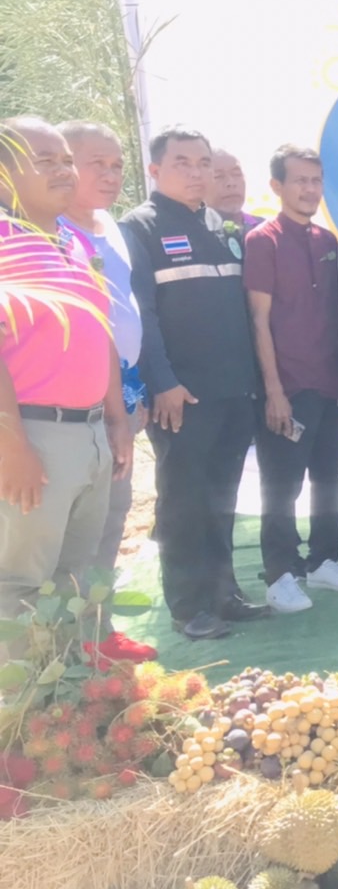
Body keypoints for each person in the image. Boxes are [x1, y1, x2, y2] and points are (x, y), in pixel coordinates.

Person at [122, 126, 268, 639]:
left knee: (222, 499)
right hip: (180, 397)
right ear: (155, 170)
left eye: (203, 162)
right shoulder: (138, 227)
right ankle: (189, 607)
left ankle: (224, 594)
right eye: (182, 162)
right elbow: (141, 316)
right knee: (184, 501)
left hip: (234, 390)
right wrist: (162, 382)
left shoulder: (222, 226)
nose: (196, 172)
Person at [0, 118, 131, 630]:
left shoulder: (76, 243)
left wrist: (116, 420)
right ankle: (24, 684)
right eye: (45, 161)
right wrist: (13, 445)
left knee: (76, 580)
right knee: (21, 583)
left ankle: (74, 680)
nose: (63, 170)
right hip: (33, 436)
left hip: (91, 432)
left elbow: (101, 334)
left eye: (66, 161)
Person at [244, 144, 338, 613]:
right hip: (288, 387)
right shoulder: (263, 241)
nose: (310, 189)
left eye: (316, 180)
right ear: (277, 186)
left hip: (330, 382)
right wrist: (273, 391)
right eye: (299, 181)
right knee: (282, 487)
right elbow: (259, 320)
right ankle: (280, 575)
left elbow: (336, 316)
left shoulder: (327, 240)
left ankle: (324, 561)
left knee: (330, 479)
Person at [57, 121, 148, 571]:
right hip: (70, 406)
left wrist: (133, 393)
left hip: (121, 396)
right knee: (67, 529)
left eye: (117, 166)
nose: (111, 176)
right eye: (98, 164)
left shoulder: (110, 224)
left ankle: (98, 612)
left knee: (113, 512)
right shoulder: (43, 231)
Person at [203, 148, 267, 233]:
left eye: (237, 174)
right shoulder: (192, 231)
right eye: (218, 176)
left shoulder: (267, 230)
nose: (231, 183)